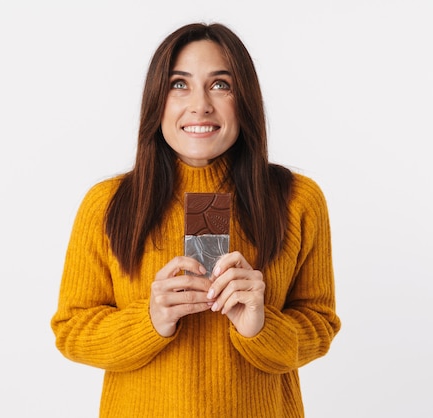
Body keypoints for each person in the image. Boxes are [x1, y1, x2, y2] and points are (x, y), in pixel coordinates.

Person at [51, 22, 341, 418]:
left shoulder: (298, 200)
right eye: (179, 84)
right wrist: (149, 320)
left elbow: (320, 325)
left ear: (245, 100)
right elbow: (71, 331)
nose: (200, 104)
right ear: (157, 99)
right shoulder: (106, 204)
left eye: (221, 84)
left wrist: (260, 327)